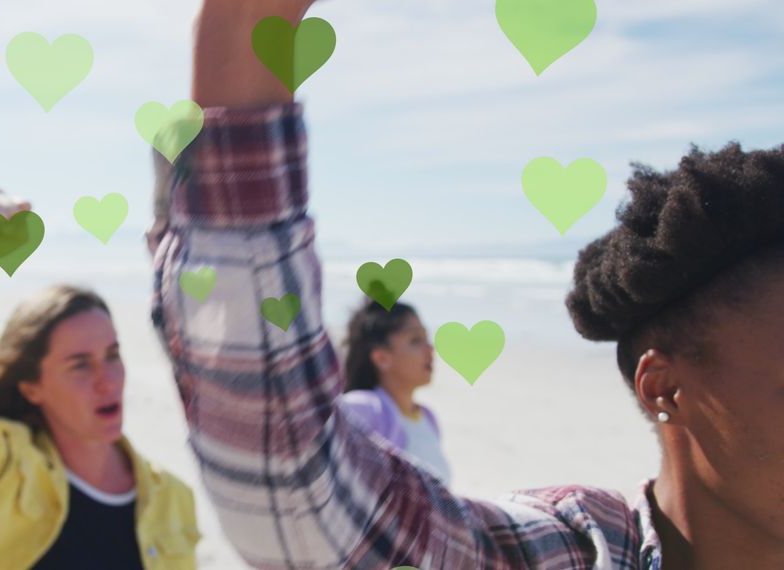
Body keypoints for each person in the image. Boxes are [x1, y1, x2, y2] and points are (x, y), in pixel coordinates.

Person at [145, 0, 784, 568]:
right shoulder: (578, 550)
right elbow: (304, 498)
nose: (430, 354)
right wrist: (249, 24)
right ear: (664, 387)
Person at [0, 190, 200, 569]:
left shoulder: (171, 498)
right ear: (31, 387)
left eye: (112, 356)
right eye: (79, 365)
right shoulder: (4, 475)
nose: (107, 380)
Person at [338, 300, 452, 485]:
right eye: (416, 340)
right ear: (382, 358)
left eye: (426, 338)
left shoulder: (428, 418)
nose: (430, 349)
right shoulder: (362, 407)